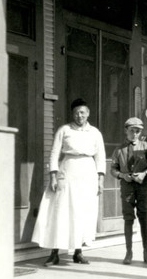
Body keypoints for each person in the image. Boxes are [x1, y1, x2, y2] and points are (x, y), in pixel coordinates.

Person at [32, 98, 106, 266]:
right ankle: (54, 253)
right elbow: (54, 153)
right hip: (67, 172)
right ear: (72, 114)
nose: (79, 116)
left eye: (82, 112)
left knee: (81, 212)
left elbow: (100, 157)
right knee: (60, 211)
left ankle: (78, 252)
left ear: (88, 113)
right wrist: (53, 176)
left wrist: (100, 180)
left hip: (88, 174)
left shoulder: (95, 133)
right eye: (76, 113)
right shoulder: (64, 130)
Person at [111, 117, 147, 265]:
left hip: (143, 186)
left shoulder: (146, 146)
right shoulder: (119, 149)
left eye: (138, 131)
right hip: (127, 187)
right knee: (128, 218)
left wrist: (144, 174)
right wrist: (122, 175)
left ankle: (146, 251)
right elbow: (113, 169)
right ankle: (129, 252)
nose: (135, 134)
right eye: (132, 131)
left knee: (143, 216)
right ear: (126, 131)